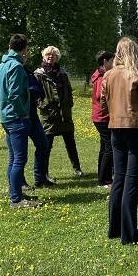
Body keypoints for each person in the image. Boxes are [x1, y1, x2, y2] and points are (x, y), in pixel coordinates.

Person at [101, 37, 138, 245]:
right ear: (135, 52)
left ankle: (115, 229)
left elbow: (103, 105)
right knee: (132, 181)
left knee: (119, 179)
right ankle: (130, 234)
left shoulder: (108, 75)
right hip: (136, 129)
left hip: (116, 129)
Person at [0, 34, 37, 209]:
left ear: (9, 46)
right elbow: (14, 95)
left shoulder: (0, 66)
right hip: (16, 118)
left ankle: (16, 192)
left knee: (13, 158)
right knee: (19, 159)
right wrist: (23, 113)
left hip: (5, 117)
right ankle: (16, 199)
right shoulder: (17, 66)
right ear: (25, 49)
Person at [34, 46, 82, 178]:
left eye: (53, 55)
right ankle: (45, 172)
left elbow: (69, 90)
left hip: (64, 114)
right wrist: (42, 104)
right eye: (48, 55)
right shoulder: (38, 74)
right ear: (43, 57)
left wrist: (69, 104)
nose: (50, 57)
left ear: (57, 57)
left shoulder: (62, 73)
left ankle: (77, 168)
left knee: (71, 143)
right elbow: (34, 93)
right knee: (47, 145)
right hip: (49, 115)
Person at [25, 62, 53, 188]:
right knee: (18, 154)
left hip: (32, 114)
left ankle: (40, 178)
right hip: (21, 116)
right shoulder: (15, 69)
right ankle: (20, 185)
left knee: (43, 144)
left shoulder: (26, 69)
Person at [91, 50, 115, 188]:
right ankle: (105, 180)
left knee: (104, 148)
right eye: (112, 61)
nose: (114, 63)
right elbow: (101, 96)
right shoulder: (102, 77)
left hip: (100, 116)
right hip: (102, 117)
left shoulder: (99, 74)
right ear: (104, 62)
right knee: (109, 148)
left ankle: (102, 177)